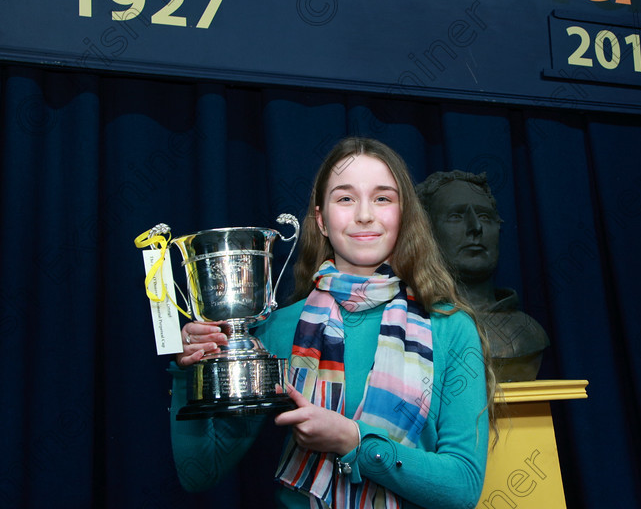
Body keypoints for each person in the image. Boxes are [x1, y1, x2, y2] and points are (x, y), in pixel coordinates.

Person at [169, 138, 497, 508]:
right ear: (322, 219)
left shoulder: (450, 328)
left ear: (403, 216)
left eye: (383, 198)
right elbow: (199, 474)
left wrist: (354, 441)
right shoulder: (278, 328)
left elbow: (463, 488)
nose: (364, 215)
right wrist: (189, 372)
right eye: (345, 198)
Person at [416, 170, 549, 382]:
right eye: (456, 216)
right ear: (425, 232)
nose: (475, 227)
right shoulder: (412, 329)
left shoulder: (528, 333)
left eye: (485, 216)